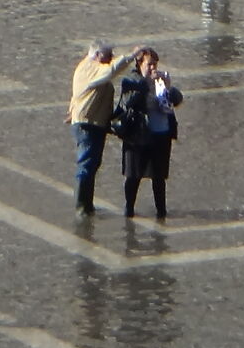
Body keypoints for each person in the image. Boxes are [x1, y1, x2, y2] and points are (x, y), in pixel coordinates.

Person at [115, 48, 181, 220]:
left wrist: (168, 88)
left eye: (155, 64)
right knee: (133, 175)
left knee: (159, 177)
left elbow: (169, 105)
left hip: (161, 133)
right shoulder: (131, 80)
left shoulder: (159, 82)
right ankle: (129, 209)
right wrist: (145, 84)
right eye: (149, 64)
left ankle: (161, 211)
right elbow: (128, 101)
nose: (153, 68)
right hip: (138, 134)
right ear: (140, 64)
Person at [68, 43, 126, 215]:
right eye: (109, 56)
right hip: (88, 124)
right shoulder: (90, 68)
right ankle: (81, 207)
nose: (110, 59)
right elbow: (111, 71)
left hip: (94, 123)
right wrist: (130, 56)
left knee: (92, 163)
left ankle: (87, 204)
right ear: (98, 55)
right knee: (86, 163)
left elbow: (80, 94)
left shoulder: (90, 68)